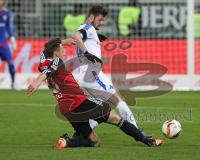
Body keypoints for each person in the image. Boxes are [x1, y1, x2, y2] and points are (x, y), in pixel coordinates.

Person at [27, 38, 163, 148]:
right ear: (56, 52)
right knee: (116, 118)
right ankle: (147, 141)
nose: (64, 51)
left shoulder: (44, 62)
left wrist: (63, 42)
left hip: (67, 109)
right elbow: (48, 72)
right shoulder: (56, 61)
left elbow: (47, 58)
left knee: (95, 142)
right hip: (79, 102)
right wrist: (36, 83)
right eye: (62, 49)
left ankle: (67, 142)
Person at [74, 5, 149, 135]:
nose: (101, 23)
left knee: (101, 110)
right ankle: (138, 132)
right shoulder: (88, 28)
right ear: (91, 17)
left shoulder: (88, 30)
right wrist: (87, 53)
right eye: (100, 19)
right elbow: (76, 36)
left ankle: (80, 134)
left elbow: (78, 38)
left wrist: (96, 39)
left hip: (84, 75)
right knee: (118, 100)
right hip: (92, 74)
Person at [0, 0, 18, 90]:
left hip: (3, 44)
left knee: (11, 63)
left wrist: (12, 39)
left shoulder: (6, 13)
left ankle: (13, 82)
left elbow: (8, 27)